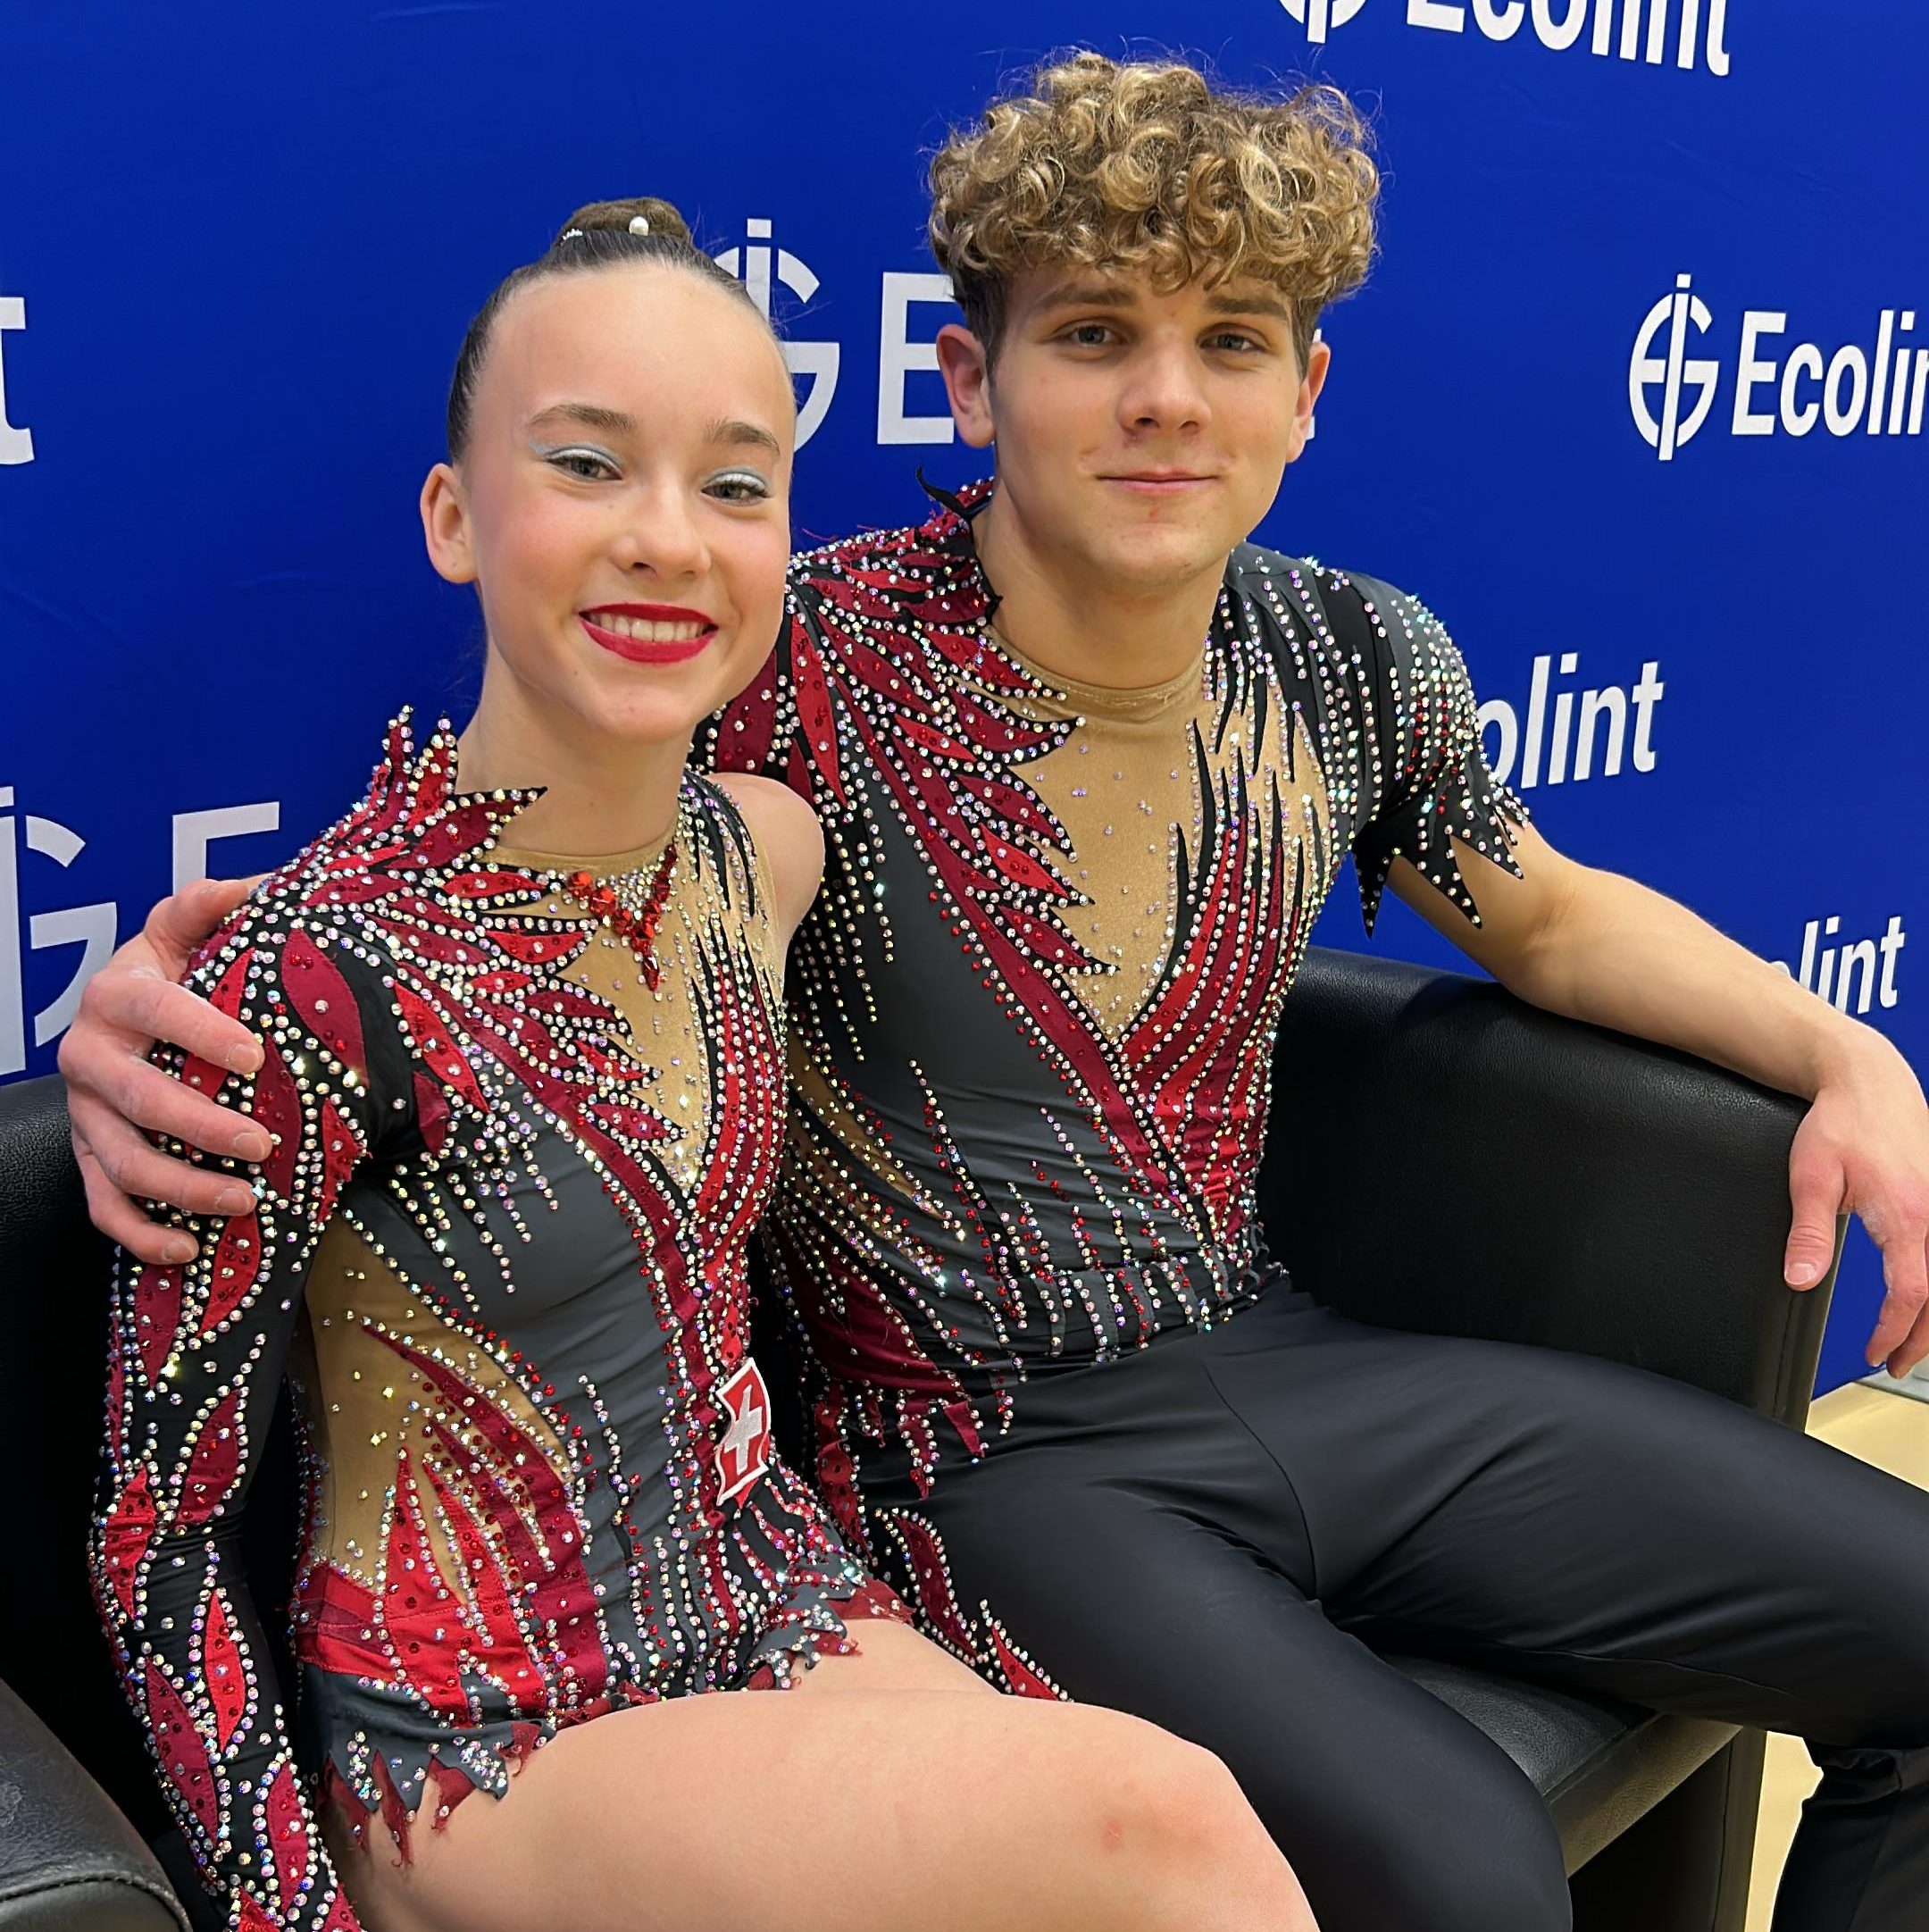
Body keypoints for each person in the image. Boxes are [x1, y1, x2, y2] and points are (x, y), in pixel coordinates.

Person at [67, 55, 1929, 1932]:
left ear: (1308, 393)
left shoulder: (1353, 655)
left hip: (1277, 1352)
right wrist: (159, 1005)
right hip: (969, 1461)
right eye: (1096, 332)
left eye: (1232, 339)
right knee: (1456, 1869)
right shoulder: (788, 654)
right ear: (971, 379)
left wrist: (1844, 1049)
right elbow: (517, 852)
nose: (1165, 395)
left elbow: (1549, 918)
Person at [79, 196, 1315, 1932]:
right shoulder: (309, 981)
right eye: (588, 466)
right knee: (1161, 1825)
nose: (668, 538)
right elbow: (156, 1538)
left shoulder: (764, 857)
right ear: (454, 517)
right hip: (489, 1743)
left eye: (736, 485)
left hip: (774, 1604)